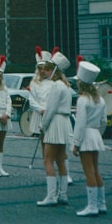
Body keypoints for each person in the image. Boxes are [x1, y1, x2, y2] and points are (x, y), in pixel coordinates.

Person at [37, 48, 73, 207]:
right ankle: (63, 194)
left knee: (48, 159)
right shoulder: (65, 86)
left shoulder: (56, 86)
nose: (45, 72)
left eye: (49, 70)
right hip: (64, 123)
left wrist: (42, 126)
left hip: (55, 122)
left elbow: (50, 109)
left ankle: (51, 196)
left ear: (55, 71)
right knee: (60, 160)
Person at [72, 59, 107, 216]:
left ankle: (92, 206)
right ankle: (101, 204)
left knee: (89, 172)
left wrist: (76, 143)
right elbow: (104, 122)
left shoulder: (82, 100)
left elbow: (79, 124)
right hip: (95, 134)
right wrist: (98, 134)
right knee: (96, 170)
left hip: (86, 135)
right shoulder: (100, 100)